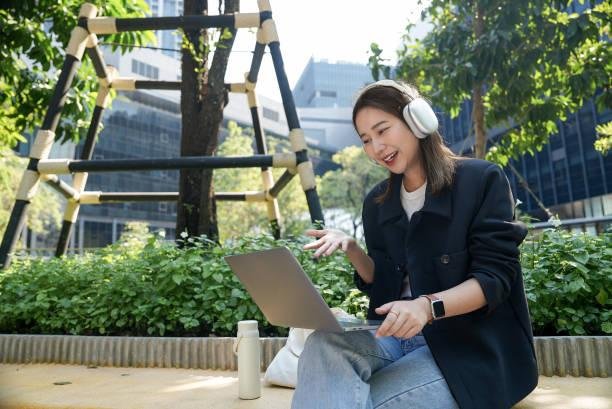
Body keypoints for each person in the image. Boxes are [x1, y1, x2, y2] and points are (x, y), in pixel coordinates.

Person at [291, 80, 538, 409]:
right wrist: (351, 247)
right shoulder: (377, 204)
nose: (376, 147)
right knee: (323, 344)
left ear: (418, 120)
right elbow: (382, 283)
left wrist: (426, 306)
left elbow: (494, 280)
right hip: (395, 337)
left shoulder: (481, 180)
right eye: (366, 140)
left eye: (382, 130)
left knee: (360, 400)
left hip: (465, 347)